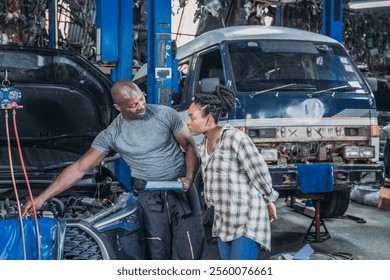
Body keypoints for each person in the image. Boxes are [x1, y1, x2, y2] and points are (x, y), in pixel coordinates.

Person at [23, 79, 207, 260]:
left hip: (181, 189)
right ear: (118, 107)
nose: (141, 106)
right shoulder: (111, 135)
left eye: (141, 99)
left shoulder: (165, 114)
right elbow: (79, 168)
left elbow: (190, 148)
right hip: (150, 197)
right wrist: (42, 198)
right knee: (156, 252)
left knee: (190, 249)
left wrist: (189, 178)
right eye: (134, 105)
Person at [186, 84, 279, 260]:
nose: (188, 122)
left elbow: (258, 171)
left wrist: (269, 199)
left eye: (192, 117)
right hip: (224, 222)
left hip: (247, 218)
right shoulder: (203, 146)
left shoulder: (235, 138)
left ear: (209, 118)